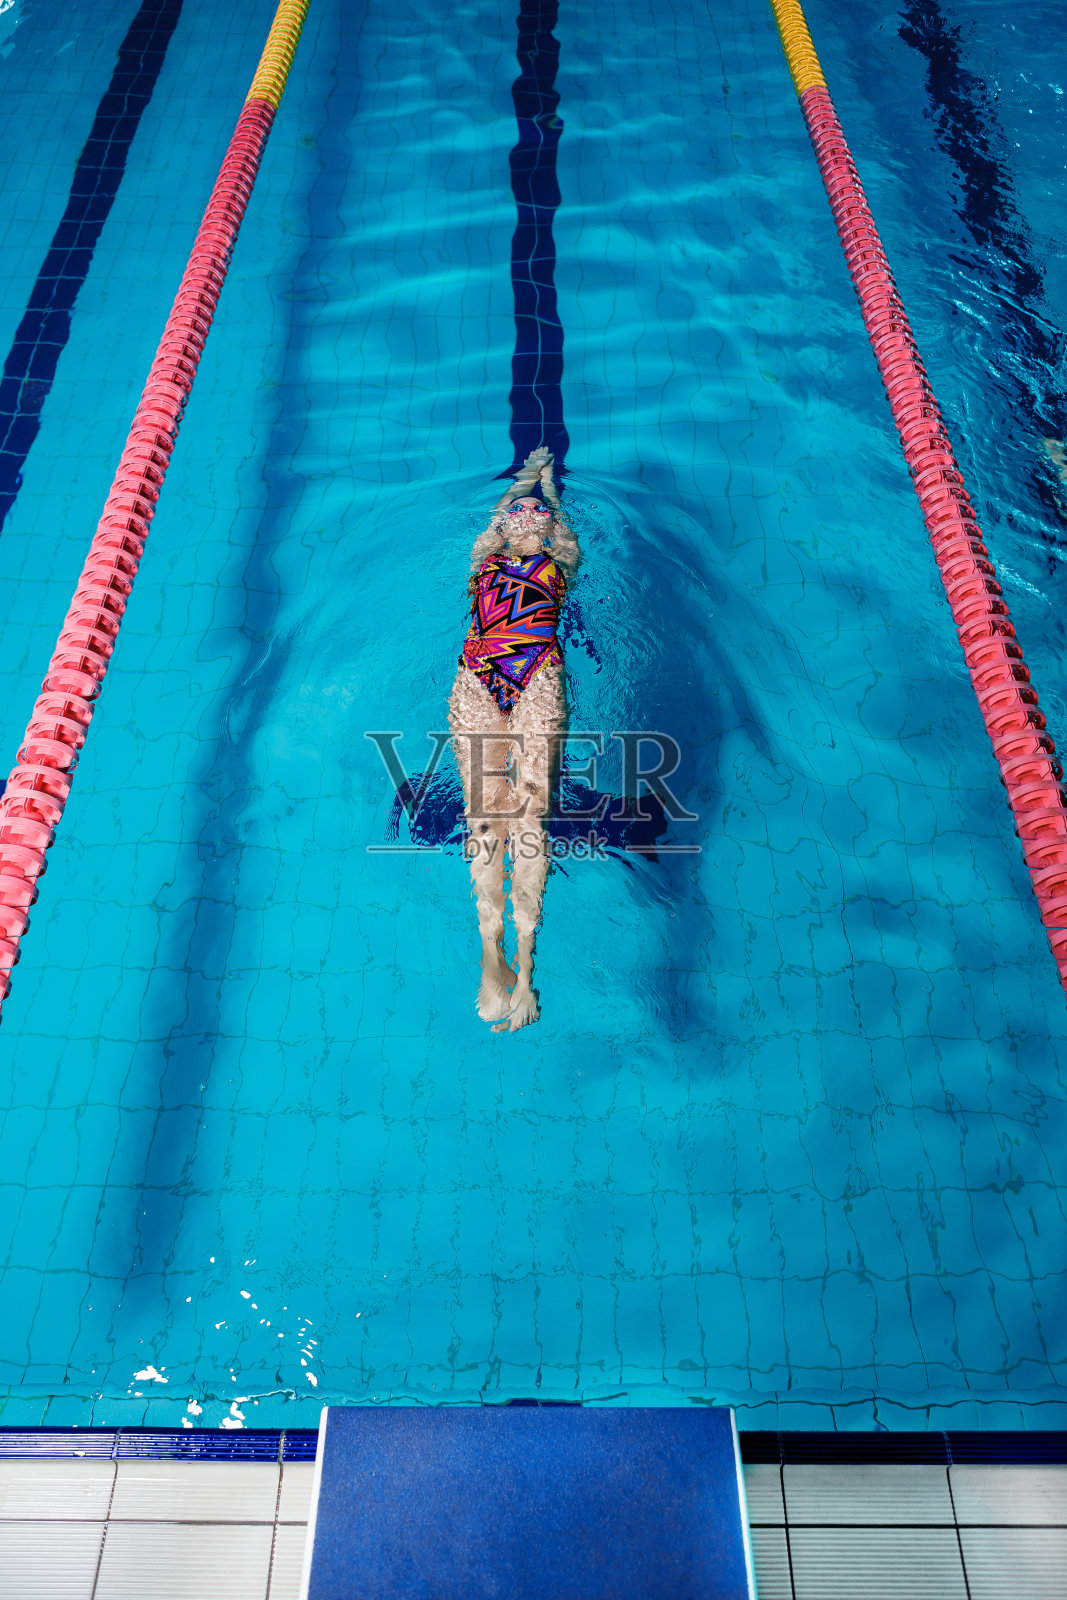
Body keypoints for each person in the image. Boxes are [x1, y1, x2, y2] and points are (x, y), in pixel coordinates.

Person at [448, 447, 579, 1031]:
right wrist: (534, 479)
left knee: (526, 813)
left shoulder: (555, 547)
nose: (524, 515)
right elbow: (505, 513)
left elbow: (544, 521)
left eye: (537, 515)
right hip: (488, 675)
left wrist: (541, 485)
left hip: (525, 676)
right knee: (489, 812)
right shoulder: (497, 546)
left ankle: (523, 963)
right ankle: (491, 946)